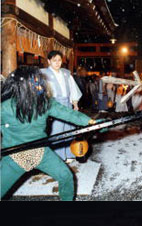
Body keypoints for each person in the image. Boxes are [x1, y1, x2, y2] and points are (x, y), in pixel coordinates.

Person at [1, 66, 97, 201]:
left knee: (65, 176)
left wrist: (90, 122)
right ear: (22, 86)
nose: (39, 85)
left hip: (41, 152)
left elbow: (68, 113)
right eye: (34, 82)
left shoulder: (44, 103)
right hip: (14, 156)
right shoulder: (5, 108)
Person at [41, 50, 83, 161]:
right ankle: (59, 158)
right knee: (57, 131)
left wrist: (75, 103)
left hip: (67, 104)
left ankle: (69, 154)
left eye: (59, 60)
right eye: (54, 60)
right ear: (49, 61)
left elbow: (73, 89)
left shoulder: (66, 73)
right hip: (54, 105)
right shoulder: (43, 74)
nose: (57, 63)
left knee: (69, 129)